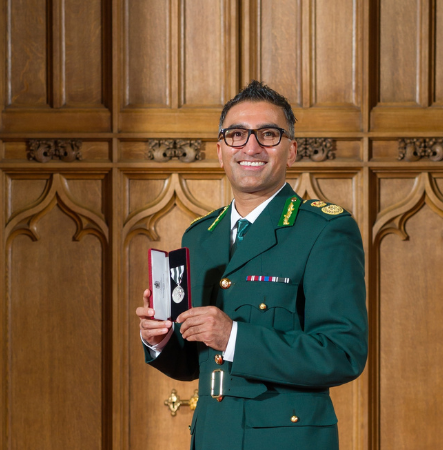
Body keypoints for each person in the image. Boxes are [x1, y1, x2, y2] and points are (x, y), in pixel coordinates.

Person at [136, 80, 368, 450]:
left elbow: (343, 354)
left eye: (269, 134)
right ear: (220, 150)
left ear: (291, 151)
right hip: (212, 438)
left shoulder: (325, 230)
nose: (251, 147)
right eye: (237, 134)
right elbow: (193, 364)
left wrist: (234, 337)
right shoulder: (200, 237)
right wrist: (160, 340)